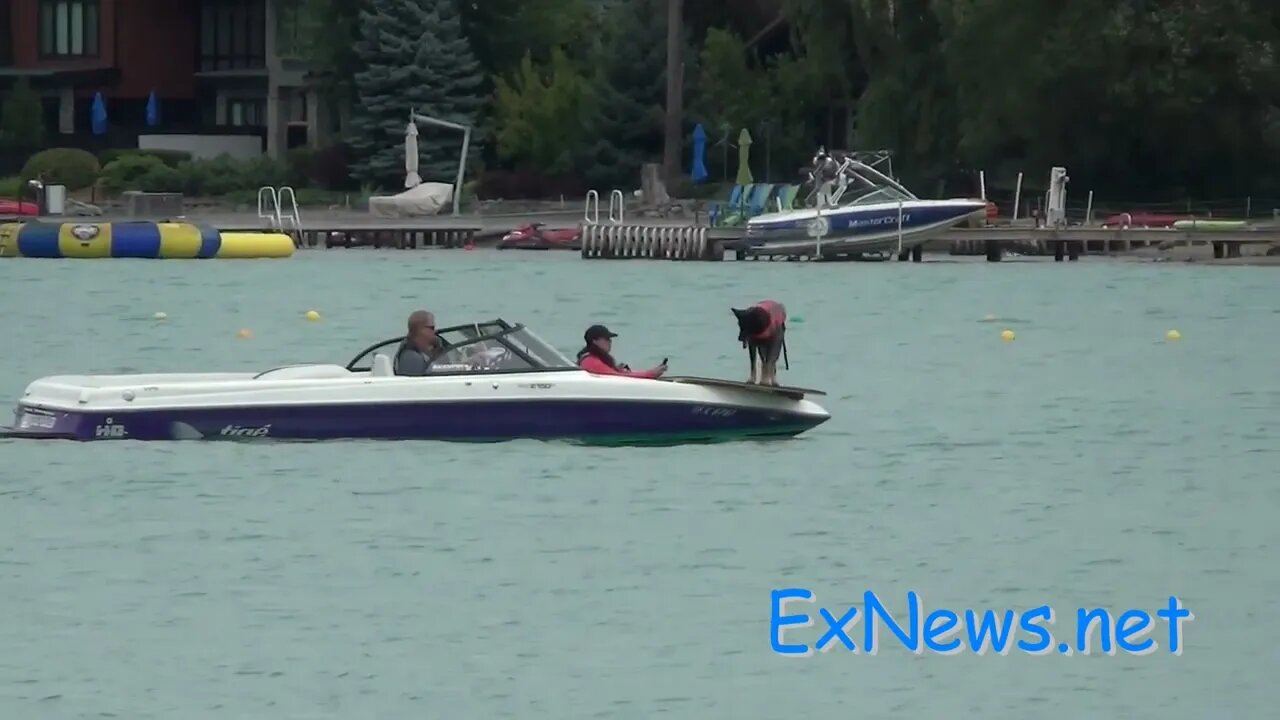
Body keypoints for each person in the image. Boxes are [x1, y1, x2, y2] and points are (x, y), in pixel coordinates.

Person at [576, 325, 666, 378]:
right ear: (595, 341)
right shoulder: (591, 361)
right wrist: (651, 373)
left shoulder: (593, 358)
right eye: (606, 338)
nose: (610, 341)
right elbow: (619, 378)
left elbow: (616, 375)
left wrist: (617, 369)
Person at [394, 310, 441, 376]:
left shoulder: (421, 351)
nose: (435, 331)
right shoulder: (411, 357)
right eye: (432, 328)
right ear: (420, 329)